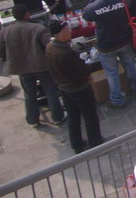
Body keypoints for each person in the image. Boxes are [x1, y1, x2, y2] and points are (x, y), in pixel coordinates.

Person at [0, 4, 65, 127]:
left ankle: (33, 120)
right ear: (27, 14)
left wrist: (6, 58)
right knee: (50, 91)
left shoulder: (5, 31)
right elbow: (49, 45)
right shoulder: (37, 28)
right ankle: (57, 117)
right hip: (41, 65)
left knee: (29, 94)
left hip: (21, 67)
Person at [82, 0, 136, 109]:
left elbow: (86, 16)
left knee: (112, 73)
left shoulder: (92, 7)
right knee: (131, 65)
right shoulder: (122, 0)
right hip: (125, 40)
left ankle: (117, 100)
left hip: (106, 45)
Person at [44, 20, 105, 152]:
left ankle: (77, 144)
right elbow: (82, 70)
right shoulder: (65, 53)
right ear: (58, 34)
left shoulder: (50, 47)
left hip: (63, 88)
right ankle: (95, 141)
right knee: (89, 115)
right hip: (78, 88)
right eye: (67, 31)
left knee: (73, 117)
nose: (69, 33)